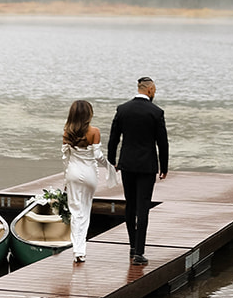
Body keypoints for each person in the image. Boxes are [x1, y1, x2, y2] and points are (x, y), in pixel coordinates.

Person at [107, 75, 169, 265]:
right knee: (143, 207)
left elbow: (114, 138)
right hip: (147, 166)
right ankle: (139, 253)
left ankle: (132, 245)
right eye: (154, 91)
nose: (154, 93)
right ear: (149, 90)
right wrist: (164, 166)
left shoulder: (123, 109)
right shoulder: (156, 112)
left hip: (127, 164)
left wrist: (112, 161)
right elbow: (162, 143)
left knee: (130, 205)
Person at [61, 98, 108, 264]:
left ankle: (78, 250)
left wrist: (66, 179)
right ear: (89, 114)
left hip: (73, 173)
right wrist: (110, 166)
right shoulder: (94, 131)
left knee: (75, 213)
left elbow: (65, 158)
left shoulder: (67, 132)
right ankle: (81, 250)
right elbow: (98, 156)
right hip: (89, 175)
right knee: (85, 212)